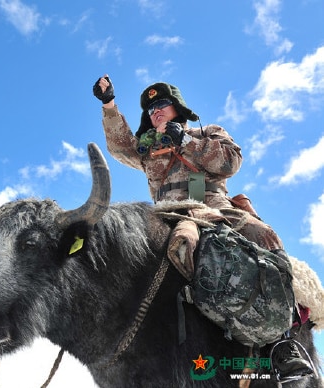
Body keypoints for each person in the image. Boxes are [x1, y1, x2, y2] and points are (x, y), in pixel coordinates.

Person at [92, 75, 313, 379]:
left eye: (161, 104)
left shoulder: (207, 132)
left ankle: (285, 343)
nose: (155, 110)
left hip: (214, 206)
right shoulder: (147, 148)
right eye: (150, 108)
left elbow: (231, 162)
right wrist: (109, 104)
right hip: (168, 214)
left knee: (264, 236)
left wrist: (186, 141)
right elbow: (119, 147)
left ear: (177, 108)